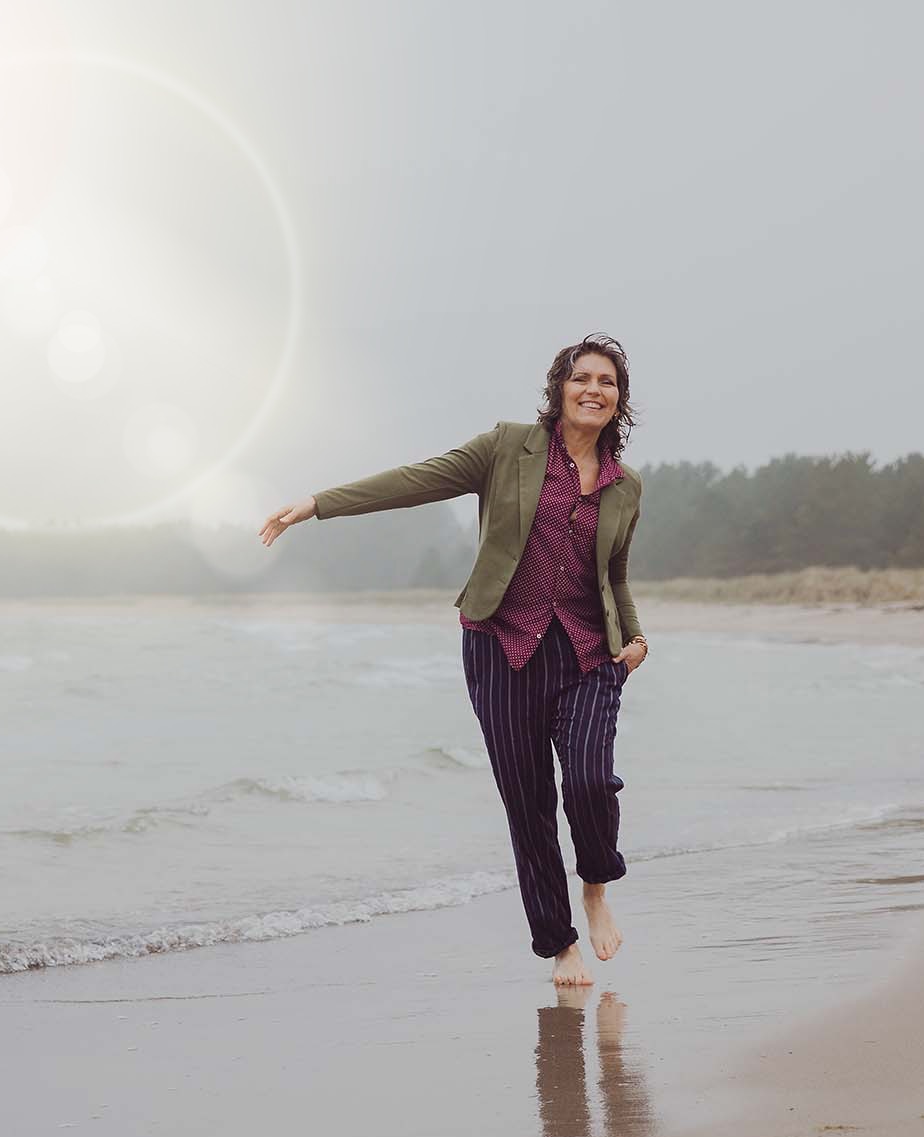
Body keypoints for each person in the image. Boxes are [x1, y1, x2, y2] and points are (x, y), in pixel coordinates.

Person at [258, 334, 647, 987]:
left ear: (619, 400)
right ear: (559, 388)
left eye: (606, 381)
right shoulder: (507, 448)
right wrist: (320, 504)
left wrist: (635, 637)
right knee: (528, 805)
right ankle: (560, 945)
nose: (592, 389)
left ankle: (598, 883)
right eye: (581, 377)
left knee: (586, 782)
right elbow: (416, 481)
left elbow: (616, 574)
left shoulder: (625, 486)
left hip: (587, 652)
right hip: (501, 646)